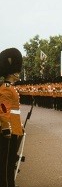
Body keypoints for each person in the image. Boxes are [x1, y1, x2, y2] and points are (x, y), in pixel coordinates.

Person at [0, 48, 23, 187]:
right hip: (8, 131)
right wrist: (6, 128)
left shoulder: (9, 87)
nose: (18, 74)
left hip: (14, 128)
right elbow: (3, 110)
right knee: (6, 163)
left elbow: (14, 112)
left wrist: (19, 126)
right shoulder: (6, 88)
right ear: (13, 72)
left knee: (11, 162)